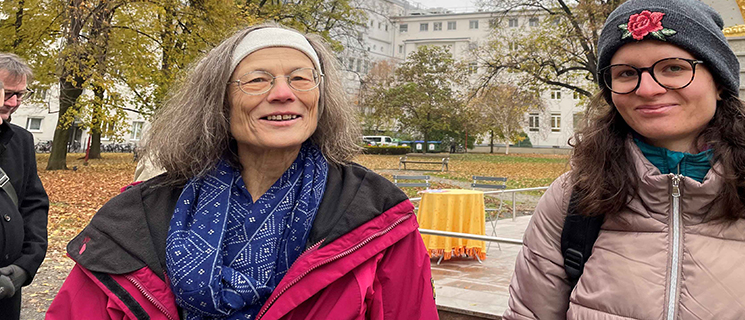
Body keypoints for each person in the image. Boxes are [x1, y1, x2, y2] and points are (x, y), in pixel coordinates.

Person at [504, 0, 745, 319]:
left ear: (720, 83)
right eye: (625, 73)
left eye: (673, 67)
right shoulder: (575, 200)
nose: (649, 88)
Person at [47, 24, 439, 320]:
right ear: (219, 101)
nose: (284, 93)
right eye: (257, 80)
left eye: (301, 78)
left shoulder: (378, 217)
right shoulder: (137, 219)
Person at [0, 54, 49, 320]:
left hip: (7, 291)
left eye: (20, 95)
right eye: (8, 94)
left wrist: (25, 266)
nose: (14, 103)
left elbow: (33, 204)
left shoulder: (22, 141)